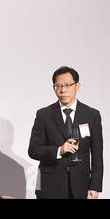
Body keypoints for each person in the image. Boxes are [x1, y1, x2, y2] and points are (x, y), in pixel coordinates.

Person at [28, 66, 103, 199]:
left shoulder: (92, 115)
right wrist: (59, 150)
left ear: (78, 85)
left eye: (68, 85)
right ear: (54, 88)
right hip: (50, 185)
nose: (63, 90)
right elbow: (33, 150)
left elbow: (97, 154)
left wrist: (95, 186)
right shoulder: (44, 115)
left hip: (81, 185)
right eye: (59, 86)